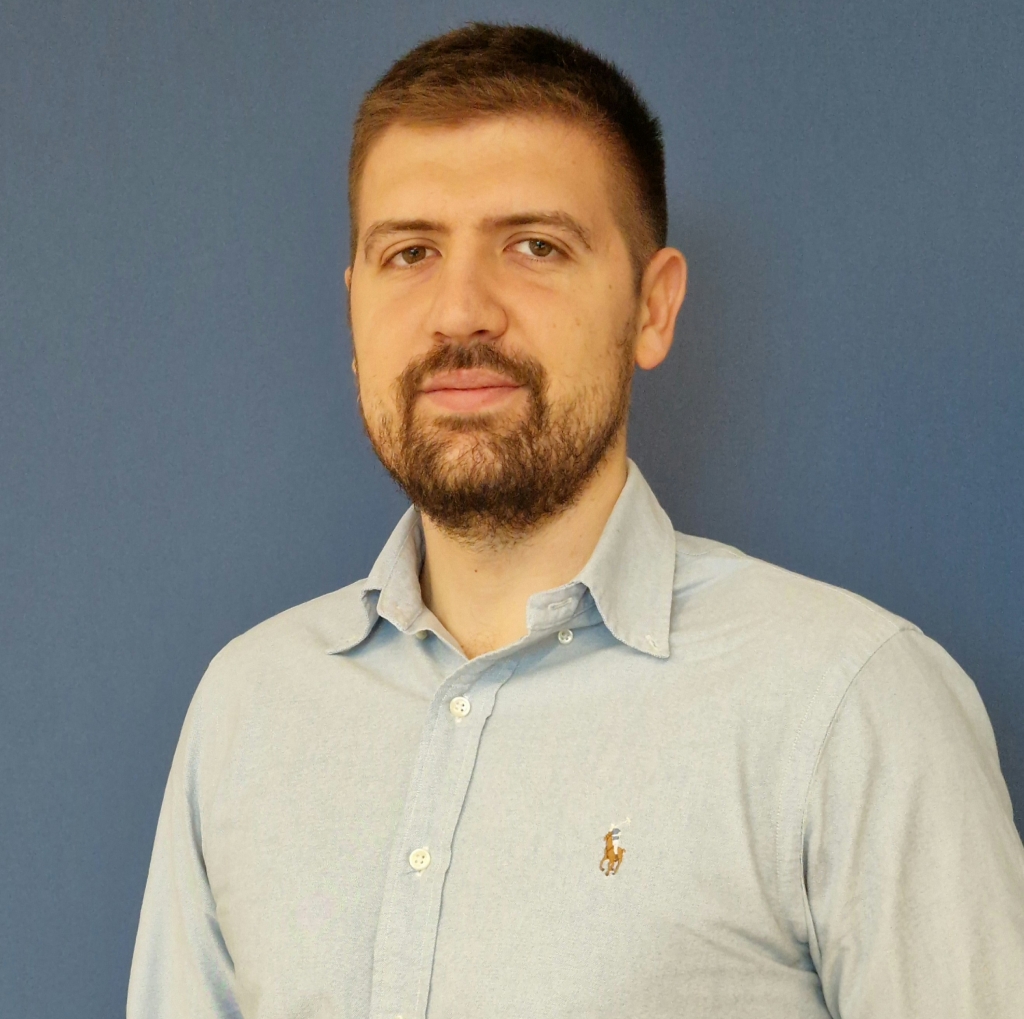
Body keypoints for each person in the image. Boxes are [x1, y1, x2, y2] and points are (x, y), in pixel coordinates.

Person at [127, 23, 1024, 1019]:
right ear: (353, 309)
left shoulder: (847, 707)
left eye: (535, 246)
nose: (460, 311)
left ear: (652, 307)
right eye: (410, 252)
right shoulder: (247, 710)